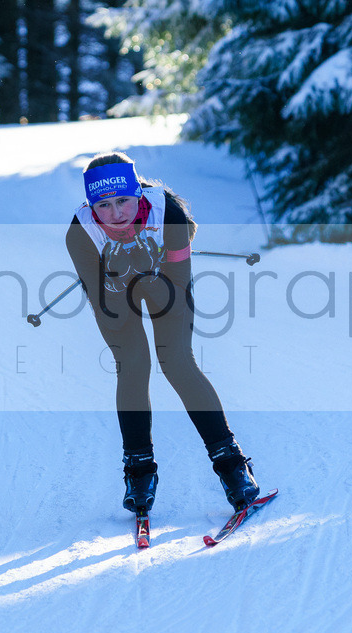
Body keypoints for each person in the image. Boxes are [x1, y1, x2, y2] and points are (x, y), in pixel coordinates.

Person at [65, 151, 261, 514]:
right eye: (104, 206)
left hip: (166, 283)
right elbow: (108, 311)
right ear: (91, 206)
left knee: (177, 364)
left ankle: (233, 468)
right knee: (134, 365)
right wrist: (124, 282)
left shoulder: (167, 214)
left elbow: (179, 284)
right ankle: (138, 472)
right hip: (114, 296)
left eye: (123, 200)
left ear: (137, 192)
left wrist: (150, 280)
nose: (116, 214)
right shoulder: (80, 233)